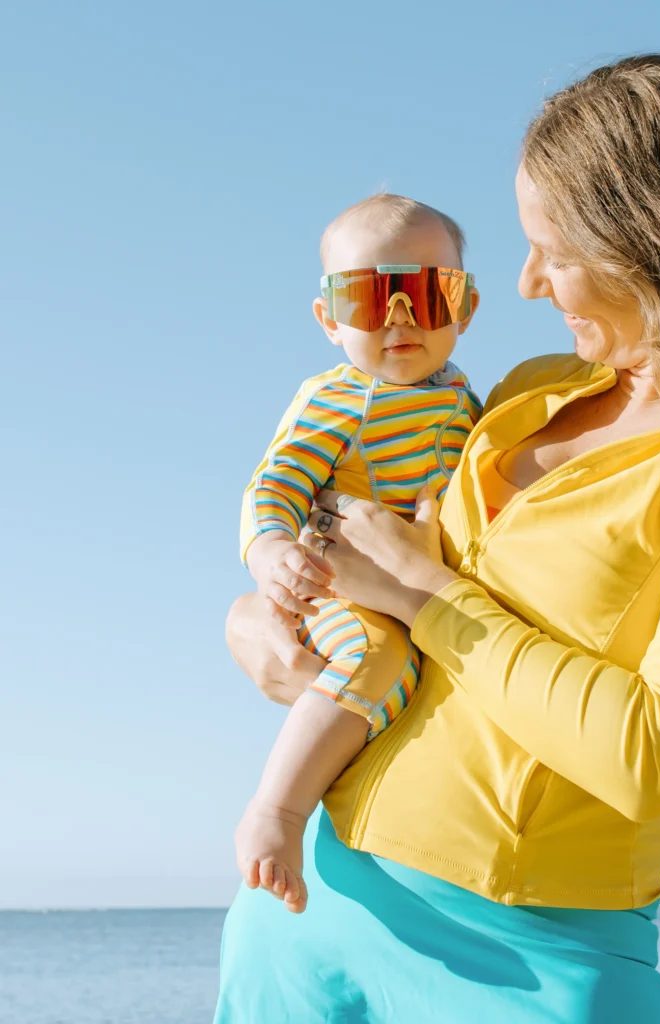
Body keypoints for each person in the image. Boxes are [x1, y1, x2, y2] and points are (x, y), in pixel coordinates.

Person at [215, 54, 660, 1023]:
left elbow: (656, 754)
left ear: (654, 243)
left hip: (533, 955)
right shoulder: (527, 391)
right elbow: (368, 564)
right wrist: (254, 619)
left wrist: (425, 596)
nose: (530, 282)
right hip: (308, 908)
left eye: (555, 251)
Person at [233, 194, 482, 913]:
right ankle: (277, 811)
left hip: (416, 597)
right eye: (370, 299)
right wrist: (271, 551)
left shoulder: (469, 401)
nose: (400, 318)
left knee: (404, 678)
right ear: (329, 320)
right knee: (376, 659)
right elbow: (276, 480)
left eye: (427, 295)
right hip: (335, 587)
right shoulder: (338, 397)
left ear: (466, 309)